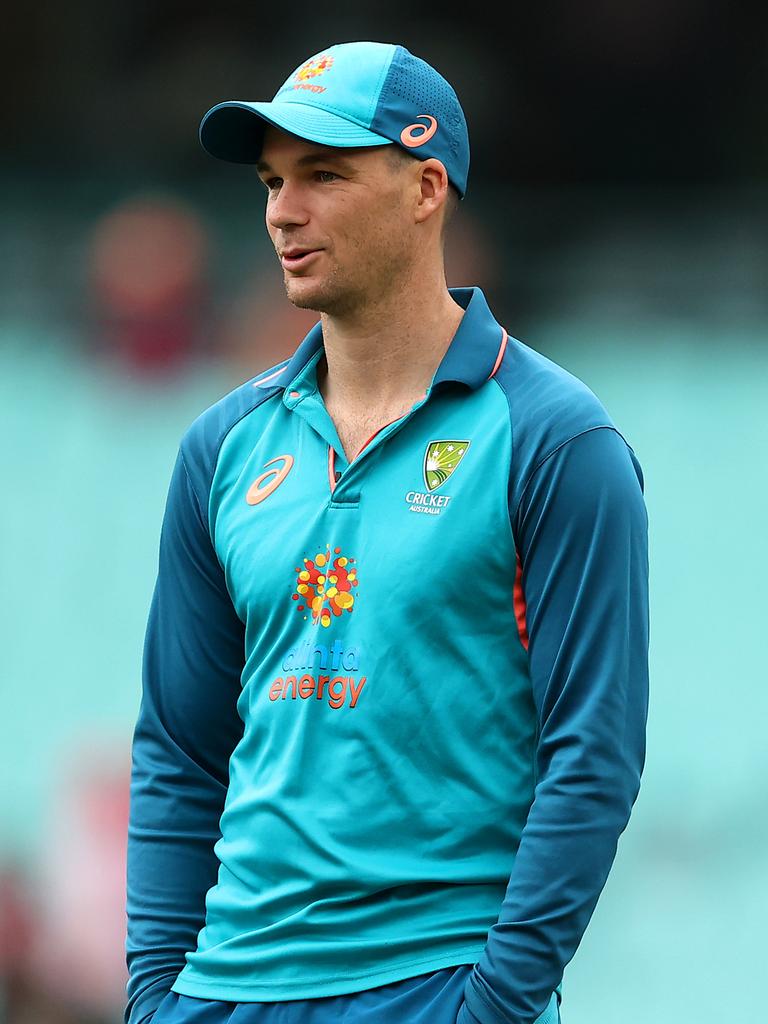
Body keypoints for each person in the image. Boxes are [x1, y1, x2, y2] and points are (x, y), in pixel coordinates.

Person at [124, 40, 649, 1024]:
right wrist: (154, 994)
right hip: (223, 991)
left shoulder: (555, 439)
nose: (283, 209)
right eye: (275, 179)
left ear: (425, 188)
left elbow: (594, 753)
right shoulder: (220, 447)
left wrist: (494, 1003)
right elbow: (180, 749)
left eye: (325, 173)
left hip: (431, 987)